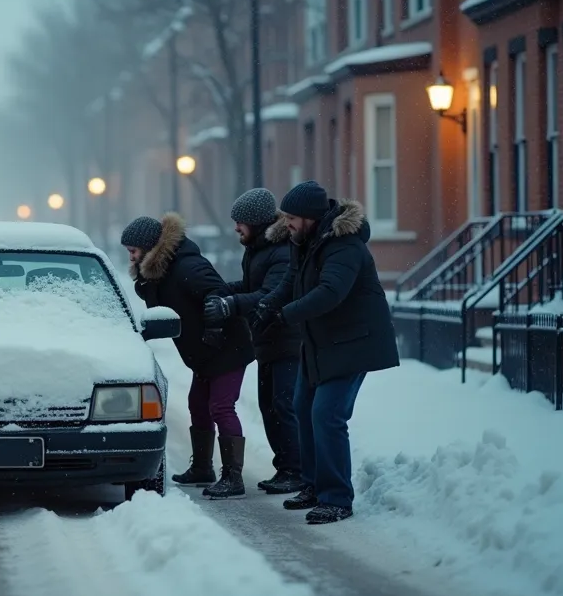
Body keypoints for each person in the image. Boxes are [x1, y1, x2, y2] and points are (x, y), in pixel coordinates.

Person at [251, 181, 400, 524]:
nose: (285, 222)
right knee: (303, 409)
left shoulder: (344, 246)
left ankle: (336, 498)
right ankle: (315, 486)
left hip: (352, 344)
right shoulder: (304, 243)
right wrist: (268, 304)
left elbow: (330, 292)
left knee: (327, 416)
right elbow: (291, 279)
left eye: (291, 216)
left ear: (310, 218)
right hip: (321, 344)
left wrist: (286, 314)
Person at [121, 213, 254, 500]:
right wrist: (143, 276)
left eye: (133, 251)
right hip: (203, 353)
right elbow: (157, 301)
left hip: (226, 347)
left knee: (221, 407)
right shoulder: (161, 271)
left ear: (148, 247)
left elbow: (217, 294)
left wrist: (215, 328)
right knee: (197, 404)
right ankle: (203, 468)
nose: (130, 257)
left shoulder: (187, 266)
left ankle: (233, 477)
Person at [203, 188, 304, 495]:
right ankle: (285, 468)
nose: (236, 228)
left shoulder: (281, 251)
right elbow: (251, 286)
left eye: (241, 222)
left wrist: (230, 304)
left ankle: (296, 470)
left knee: (283, 405)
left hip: (287, 340)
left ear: (257, 223)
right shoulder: (258, 248)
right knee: (268, 406)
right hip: (266, 341)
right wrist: (221, 290)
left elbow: (269, 295)